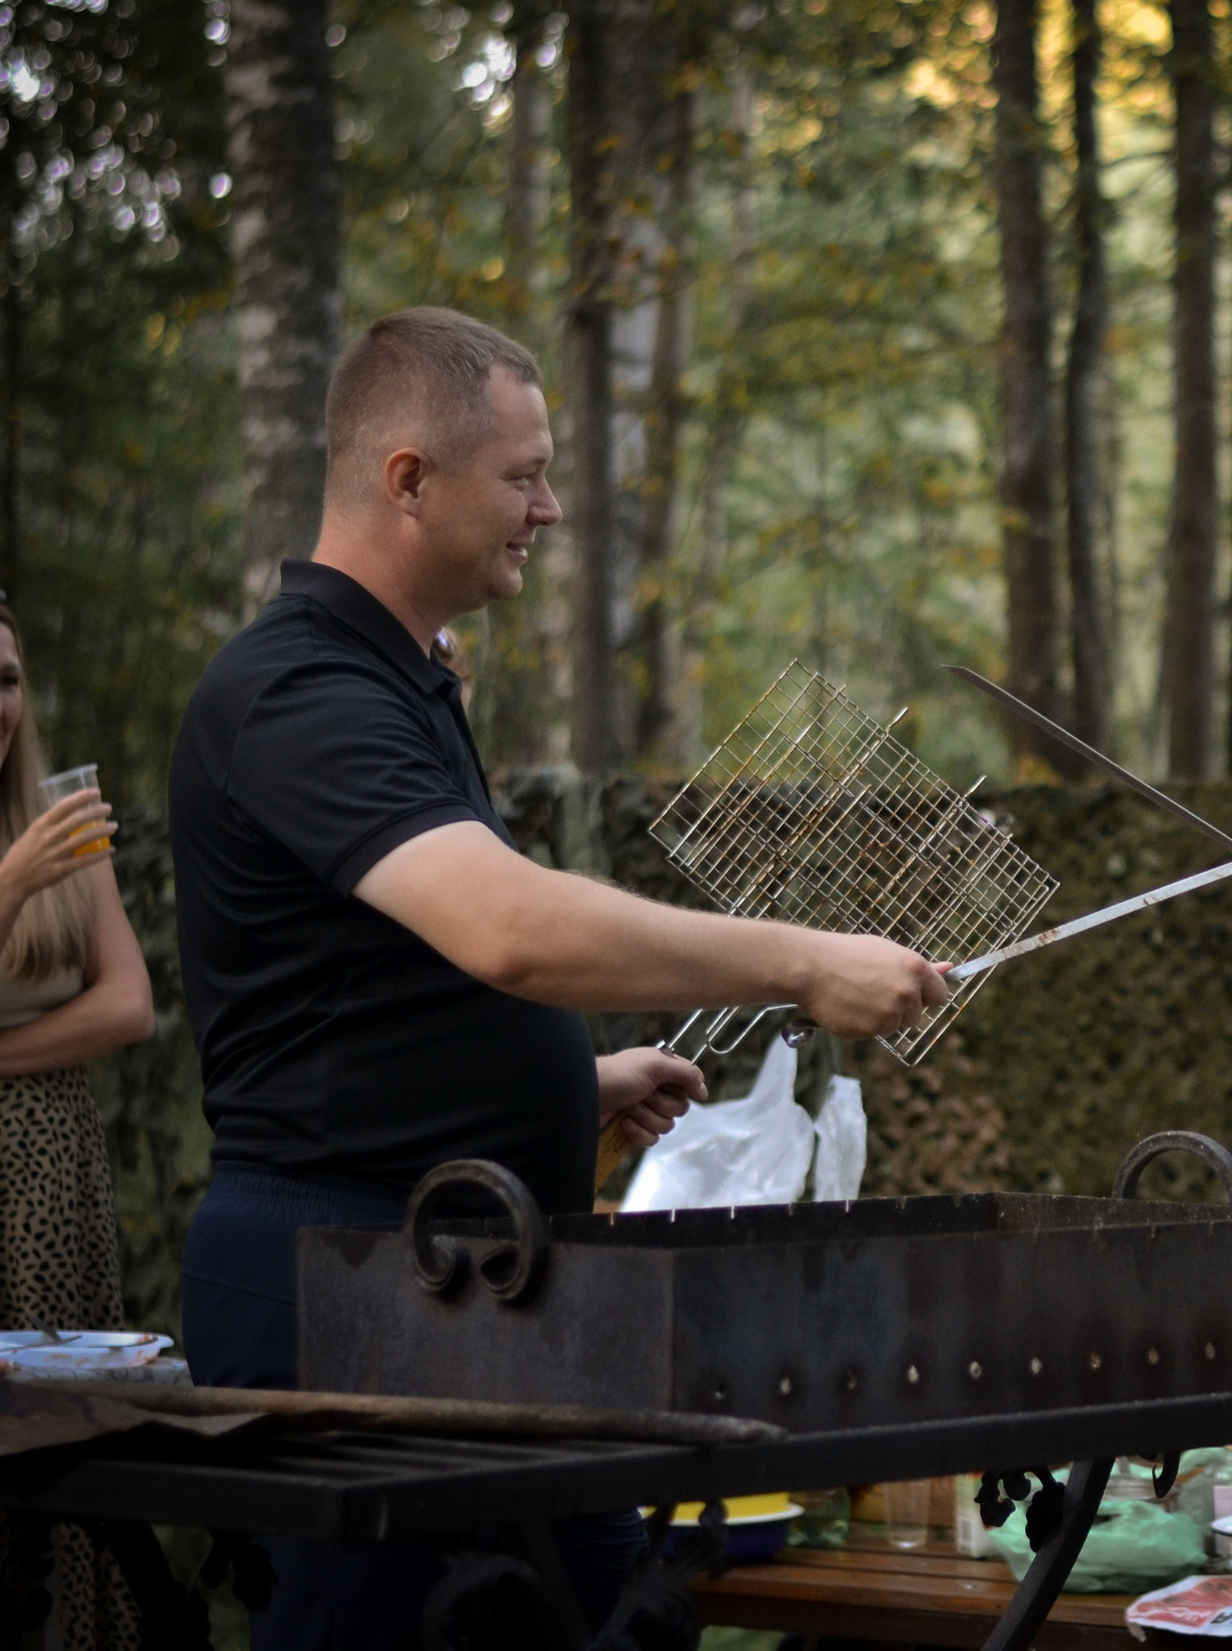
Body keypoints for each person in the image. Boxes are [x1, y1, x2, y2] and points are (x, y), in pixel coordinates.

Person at [169, 307, 949, 1651]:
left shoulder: (406, 682)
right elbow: (507, 927)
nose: (553, 507)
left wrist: (567, 1079)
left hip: (483, 1267)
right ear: (409, 478)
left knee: (598, 1616)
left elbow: (361, 990)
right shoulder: (295, 690)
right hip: (341, 1278)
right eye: (524, 474)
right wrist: (802, 957)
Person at [0, 593, 157, 1649]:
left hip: (49, 1165)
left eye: (6, 679)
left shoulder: (57, 812)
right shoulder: (29, 854)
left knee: (61, 1439)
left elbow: (126, 1005)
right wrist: (7, 883)